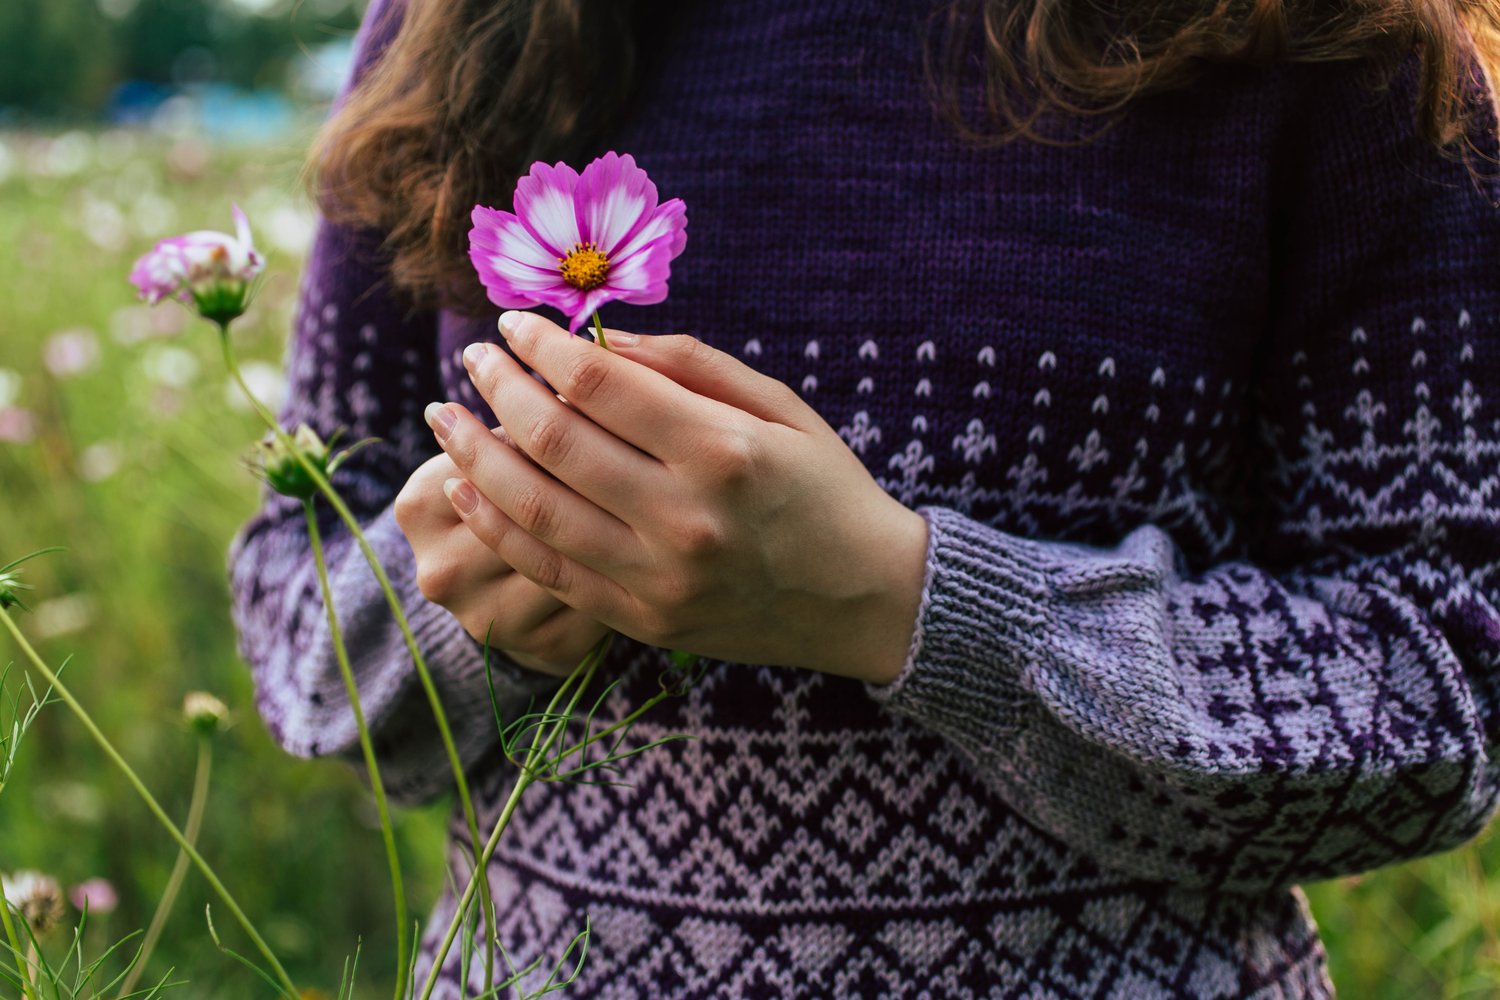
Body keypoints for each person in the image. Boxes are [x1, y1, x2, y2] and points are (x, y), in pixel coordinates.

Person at [230, 0, 1500, 995]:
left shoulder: (1336, 33)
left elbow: (1451, 676)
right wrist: (468, 602)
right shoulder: (456, 24)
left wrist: (906, 604)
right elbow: (297, 591)